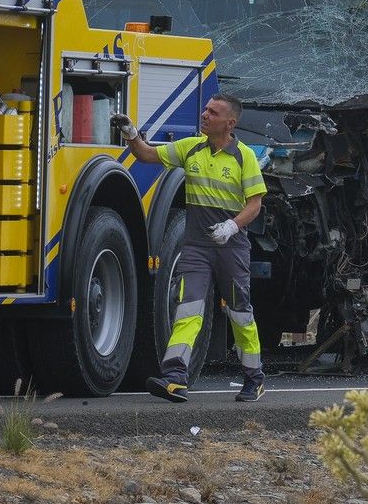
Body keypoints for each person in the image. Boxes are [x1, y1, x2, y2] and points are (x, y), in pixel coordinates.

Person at [110, 94, 268, 402]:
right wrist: (131, 134)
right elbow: (145, 155)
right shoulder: (191, 147)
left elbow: (255, 205)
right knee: (188, 309)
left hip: (231, 248)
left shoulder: (244, 156)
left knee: (239, 312)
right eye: (206, 109)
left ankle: (254, 377)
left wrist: (232, 226)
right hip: (196, 247)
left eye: (213, 112)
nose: (205, 115)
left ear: (230, 123)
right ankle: (175, 377)